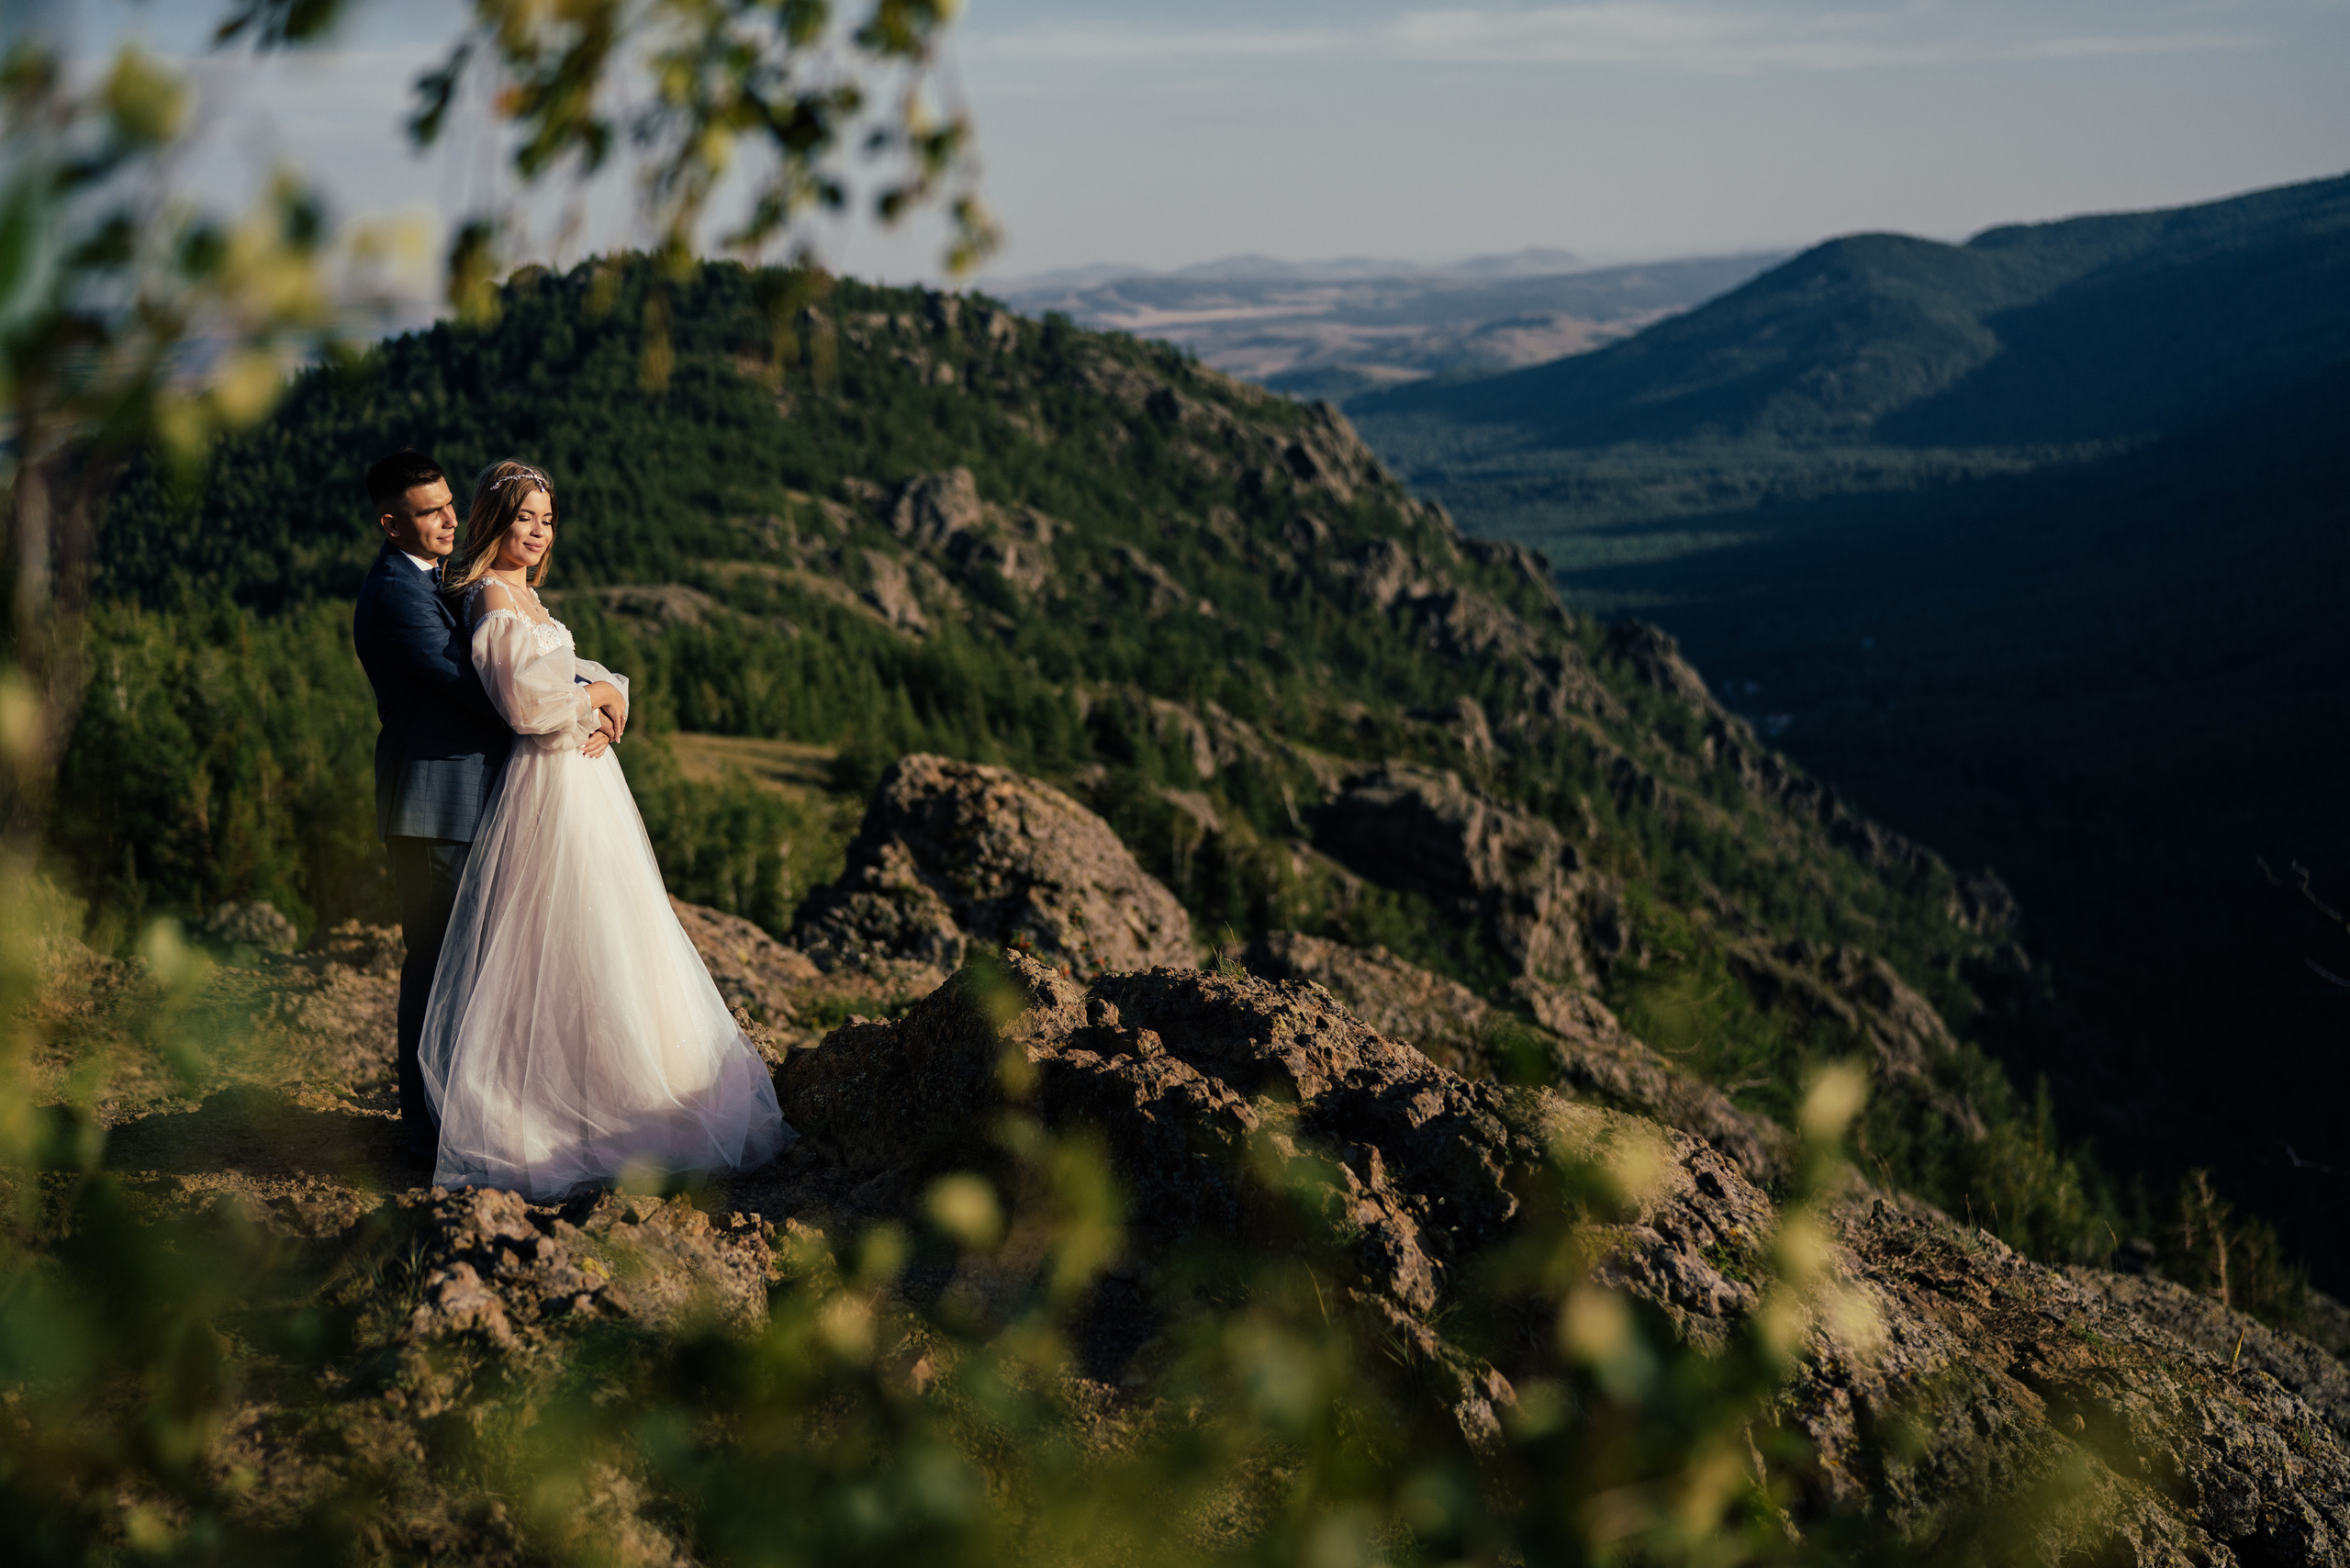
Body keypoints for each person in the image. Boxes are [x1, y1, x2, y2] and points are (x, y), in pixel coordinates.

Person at [416, 458, 790, 1199]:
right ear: (496, 521)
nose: (537, 531)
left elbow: (576, 667)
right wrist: (592, 700)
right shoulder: (491, 594)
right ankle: (557, 1111)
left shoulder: (527, 596)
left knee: (616, 935)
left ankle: (618, 1095)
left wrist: (610, 690)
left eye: (547, 519)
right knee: (558, 943)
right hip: (548, 784)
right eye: (524, 516)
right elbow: (524, 705)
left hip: (585, 783)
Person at [352, 449, 621, 1164]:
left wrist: (599, 683)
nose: (448, 520)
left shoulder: (441, 580)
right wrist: (593, 696)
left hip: (480, 799)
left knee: (476, 969)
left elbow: (524, 662)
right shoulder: (395, 598)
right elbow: (496, 694)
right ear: (390, 523)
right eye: (428, 511)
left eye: (448, 504)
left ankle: (468, 1117)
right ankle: (425, 1134)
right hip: (434, 806)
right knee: (437, 964)